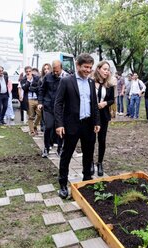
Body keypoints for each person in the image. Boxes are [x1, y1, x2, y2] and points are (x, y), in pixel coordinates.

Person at [54, 53, 100, 199]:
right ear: (78, 66)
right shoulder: (67, 81)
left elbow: (94, 103)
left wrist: (97, 121)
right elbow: (58, 103)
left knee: (88, 153)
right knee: (67, 154)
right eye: (85, 67)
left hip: (88, 124)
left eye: (90, 68)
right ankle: (63, 184)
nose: (88, 70)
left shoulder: (91, 82)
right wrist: (59, 124)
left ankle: (87, 180)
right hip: (72, 124)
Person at [38, 60, 67, 158]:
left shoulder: (66, 78)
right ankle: (46, 148)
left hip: (60, 108)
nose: (55, 73)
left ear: (61, 68)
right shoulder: (47, 77)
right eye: (53, 71)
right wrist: (40, 102)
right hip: (48, 106)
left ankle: (60, 148)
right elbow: (42, 90)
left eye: (57, 71)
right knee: (49, 126)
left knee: (60, 128)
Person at [91, 60, 115, 177]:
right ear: (98, 69)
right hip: (91, 115)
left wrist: (105, 103)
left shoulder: (109, 85)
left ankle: (99, 163)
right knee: (90, 139)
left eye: (108, 70)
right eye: (105, 69)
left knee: (102, 140)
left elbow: (112, 100)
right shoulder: (90, 82)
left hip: (103, 115)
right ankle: (90, 161)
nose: (107, 72)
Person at [19, 66, 41, 135]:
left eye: (29, 71)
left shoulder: (37, 78)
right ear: (25, 72)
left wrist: (31, 88)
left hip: (37, 99)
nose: (28, 73)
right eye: (27, 72)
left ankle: (34, 126)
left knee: (40, 114)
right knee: (31, 116)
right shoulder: (23, 80)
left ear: (32, 71)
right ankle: (32, 131)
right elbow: (24, 88)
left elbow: (39, 87)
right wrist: (28, 81)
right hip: (29, 100)